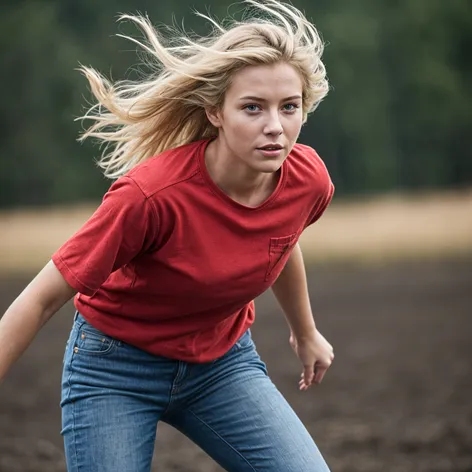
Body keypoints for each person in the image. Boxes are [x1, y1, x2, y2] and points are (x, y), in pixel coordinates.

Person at [0, 0, 336, 470]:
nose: (275, 127)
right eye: (252, 108)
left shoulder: (308, 180)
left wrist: (306, 332)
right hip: (114, 368)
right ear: (215, 112)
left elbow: (280, 238)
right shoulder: (149, 197)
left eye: (289, 107)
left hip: (222, 364)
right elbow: (40, 299)